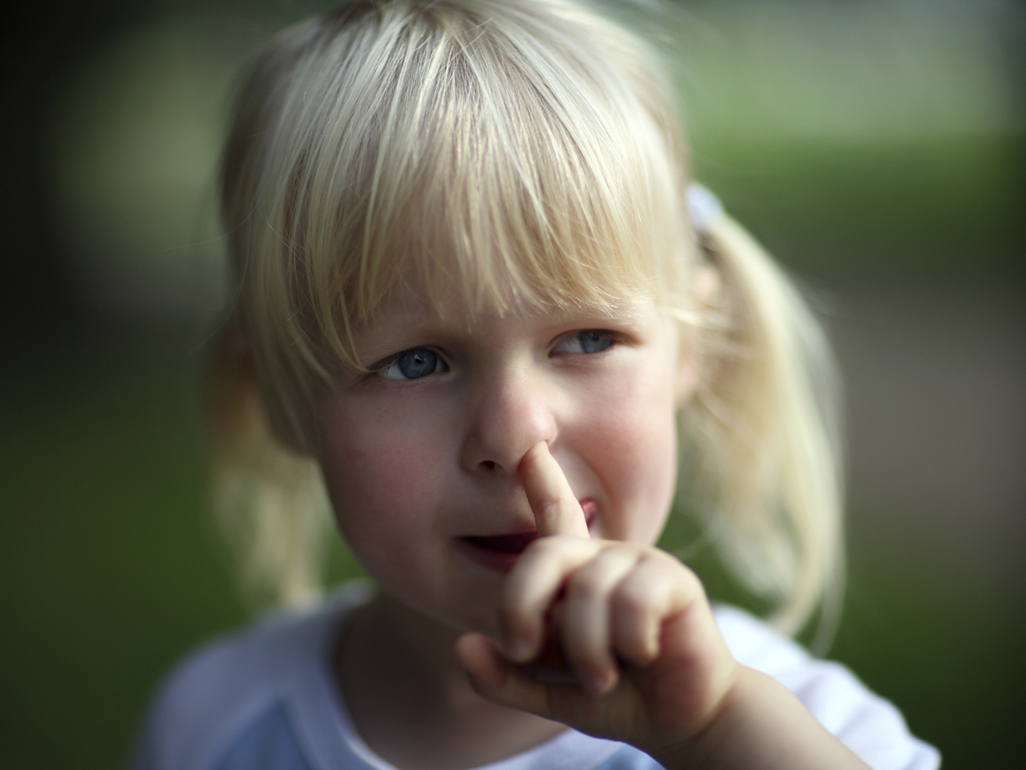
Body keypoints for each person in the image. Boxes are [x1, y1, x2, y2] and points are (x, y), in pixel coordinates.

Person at [133, 1, 940, 768]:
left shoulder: (799, 730)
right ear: (280, 393)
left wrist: (717, 733)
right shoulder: (214, 723)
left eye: (588, 339)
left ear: (687, 346)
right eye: (416, 361)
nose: (518, 434)